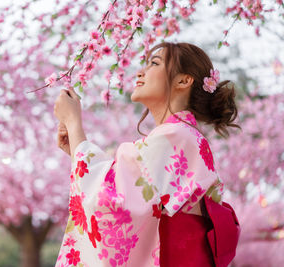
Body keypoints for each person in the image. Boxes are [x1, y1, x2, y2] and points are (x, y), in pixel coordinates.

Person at [53, 42, 240, 267]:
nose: (140, 71)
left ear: (183, 80)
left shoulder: (177, 135)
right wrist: (76, 147)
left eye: (154, 63)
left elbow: (112, 198)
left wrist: (74, 124)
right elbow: (127, 185)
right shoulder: (179, 136)